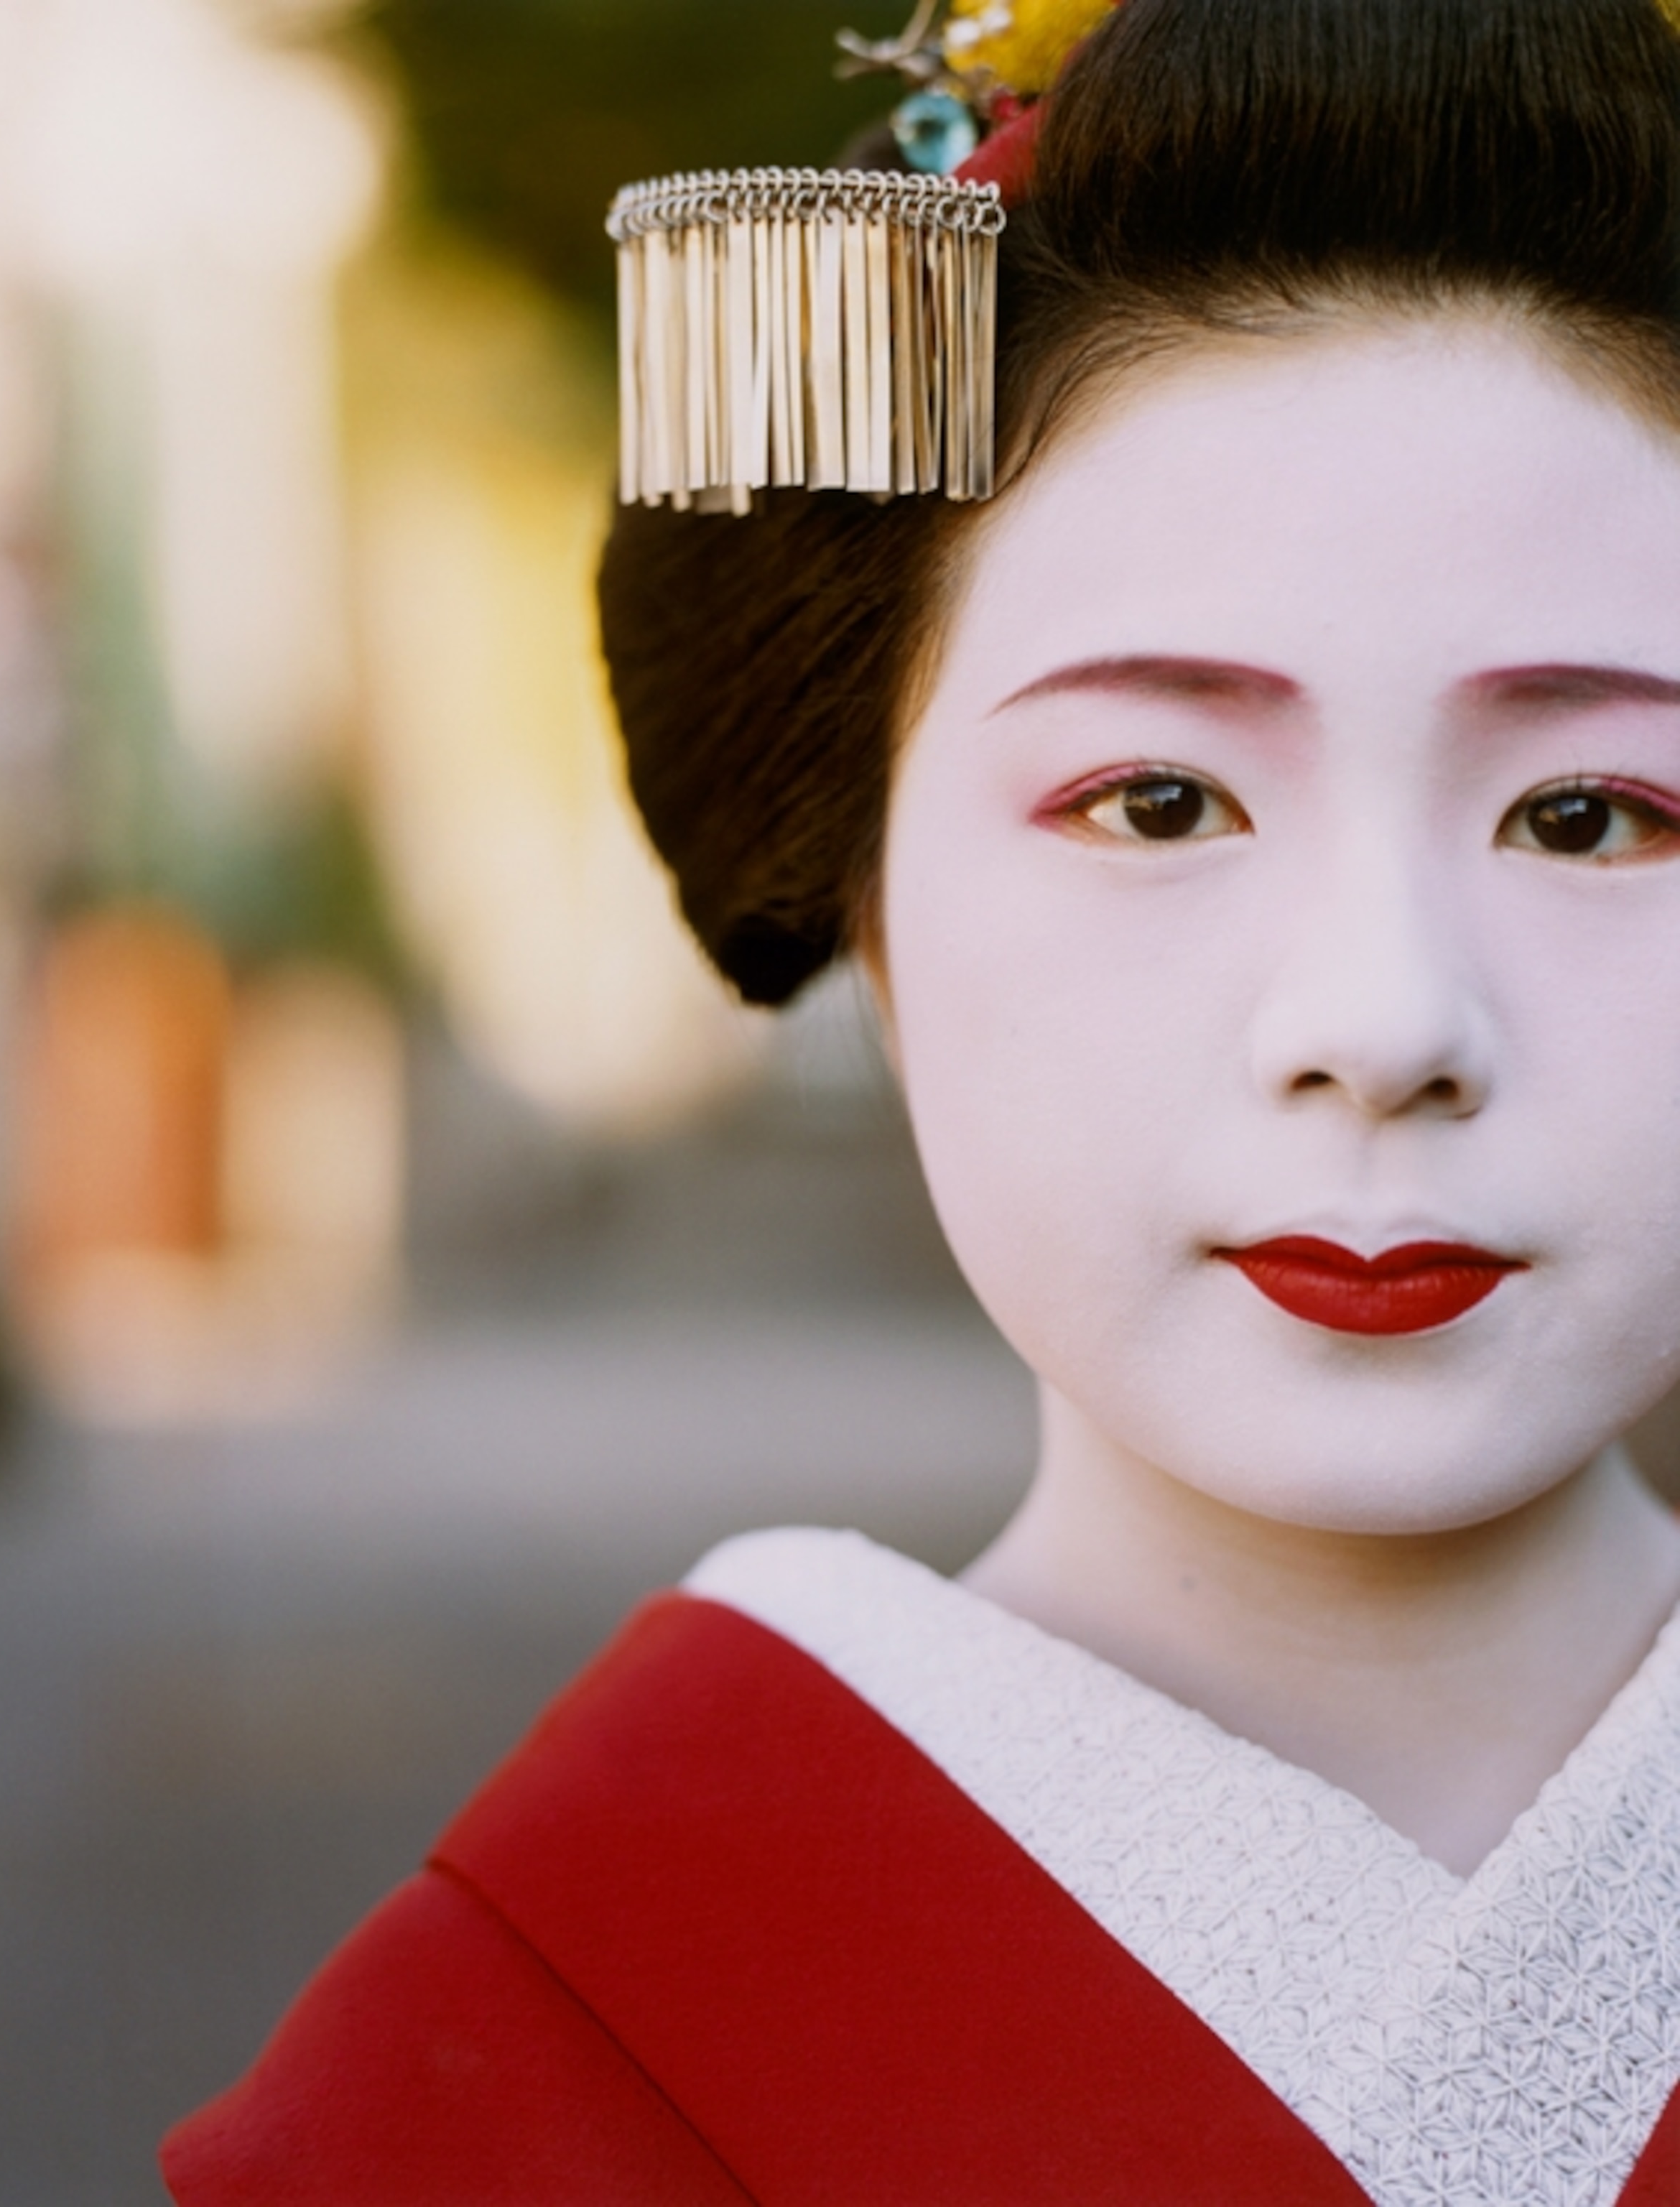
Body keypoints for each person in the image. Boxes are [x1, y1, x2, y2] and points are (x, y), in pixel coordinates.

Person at [160, 0, 1680, 2198]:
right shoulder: (481, 2074)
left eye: (1594, 813)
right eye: (1157, 798)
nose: (1385, 1022)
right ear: (860, 889)